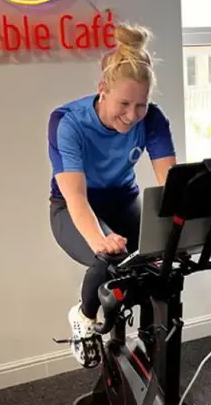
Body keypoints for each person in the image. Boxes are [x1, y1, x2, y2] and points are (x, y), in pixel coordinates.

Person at [48, 22, 177, 369]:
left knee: (155, 264)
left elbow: (171, 183)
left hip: (123, 200)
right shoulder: (68, 122)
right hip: (71, 207)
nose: (132, 116)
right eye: (124, 103)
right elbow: (76, 197)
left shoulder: (152, 119)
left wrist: (181, 224)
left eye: (141, 105)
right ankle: (84, 317)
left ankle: (149, 343)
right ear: (102, 90)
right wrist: (99, 240)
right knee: (109, 259)